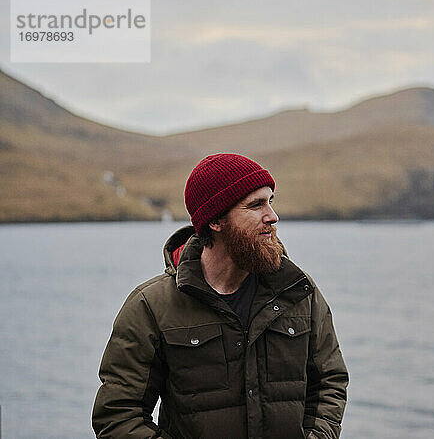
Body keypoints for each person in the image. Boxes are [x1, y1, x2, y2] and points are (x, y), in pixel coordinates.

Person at [92, 153, 349, 439]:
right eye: (256, 205)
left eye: (270, 201)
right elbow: (117, 416)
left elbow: (329, 382)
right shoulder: (150, 306)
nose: (272, 216)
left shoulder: (298, 291)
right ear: (215, 220)